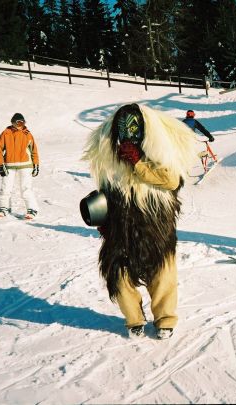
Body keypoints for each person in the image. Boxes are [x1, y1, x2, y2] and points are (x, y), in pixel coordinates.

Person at [83, 103, 198, 339]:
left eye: (134, 127)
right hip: (121, 224)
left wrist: (138, 163)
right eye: (124, 128)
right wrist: (104, 216)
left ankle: (165, 319)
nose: (129, 133)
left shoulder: (160, 155)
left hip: (155, 222)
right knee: (120, 274)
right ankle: (133, 319)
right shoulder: (111, 158)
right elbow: (107, 188)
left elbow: (171, 181)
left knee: (163, 273)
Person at [0, 113, 40, 219]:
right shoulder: (5, 133)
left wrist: (36, 165)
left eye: (23, 122)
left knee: (26, 188)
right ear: (13, 122)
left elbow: (34, 151)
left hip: (26, 165)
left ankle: (32, 209)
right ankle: (4, 208)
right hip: (9, 165)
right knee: (5, 187)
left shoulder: (27, 134)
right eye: (19, 122)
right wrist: (1, 165)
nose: (21, 124)